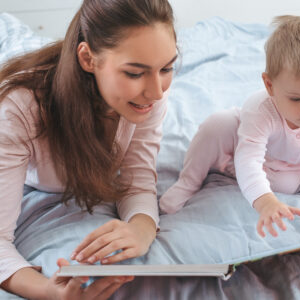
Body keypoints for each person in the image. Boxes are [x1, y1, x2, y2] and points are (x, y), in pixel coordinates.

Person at [0, 0, 177, 298]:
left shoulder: (150, 98)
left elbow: (137, 180)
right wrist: (47, 291)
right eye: (135, 73)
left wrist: (142, 228)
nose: (157, 91)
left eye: (167, 68)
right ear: (87, 58)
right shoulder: (20, 110)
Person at [159, 15, 300, 238]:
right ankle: (189, 181)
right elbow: (249, 159)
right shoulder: (260, 109)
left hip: (283, 167)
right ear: (270, 85)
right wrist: (265, 202)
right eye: (297, 99)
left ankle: (234, 171)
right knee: (217, 124)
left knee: (284, 186)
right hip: (242, 142)